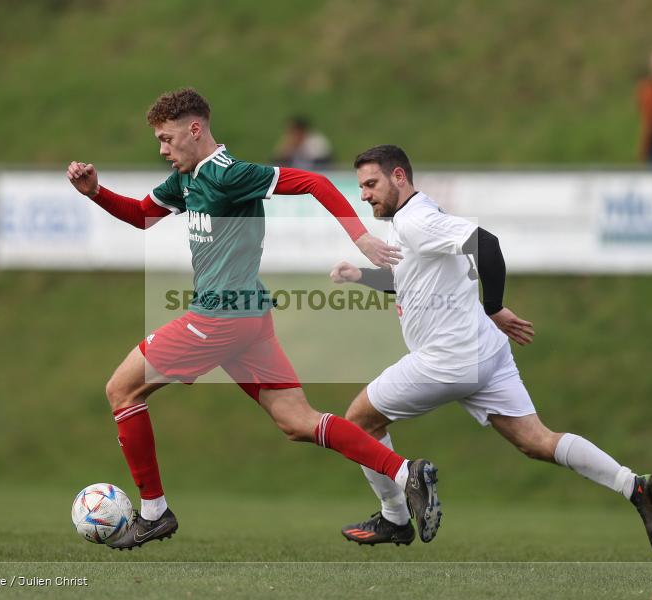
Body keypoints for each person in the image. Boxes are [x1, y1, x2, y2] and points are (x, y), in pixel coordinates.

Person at [65, 90, 442, 550]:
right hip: (248, 319)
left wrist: (360, 237)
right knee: (298, 421)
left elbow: (314, 183)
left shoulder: (230, 175)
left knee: (121, 390)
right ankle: (406, 472)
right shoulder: (185, 180)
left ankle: (154, 512)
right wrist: (96, 193)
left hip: (219, 317)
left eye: (167, 139)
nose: (162, 150)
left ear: (195, 130)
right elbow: (143, 217)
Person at [329, 145, 652, 551]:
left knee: (357, 422)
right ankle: (634, 486)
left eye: (371, 184)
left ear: (399, 177)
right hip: (484, 353)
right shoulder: (413, 219)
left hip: (447, 358)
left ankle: (394, 517)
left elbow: (486, 245)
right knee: (537, 441)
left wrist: (493, 306)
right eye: (361, 187)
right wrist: (361, 276)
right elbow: (408, 279)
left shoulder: (416, 220)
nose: (364, 194)